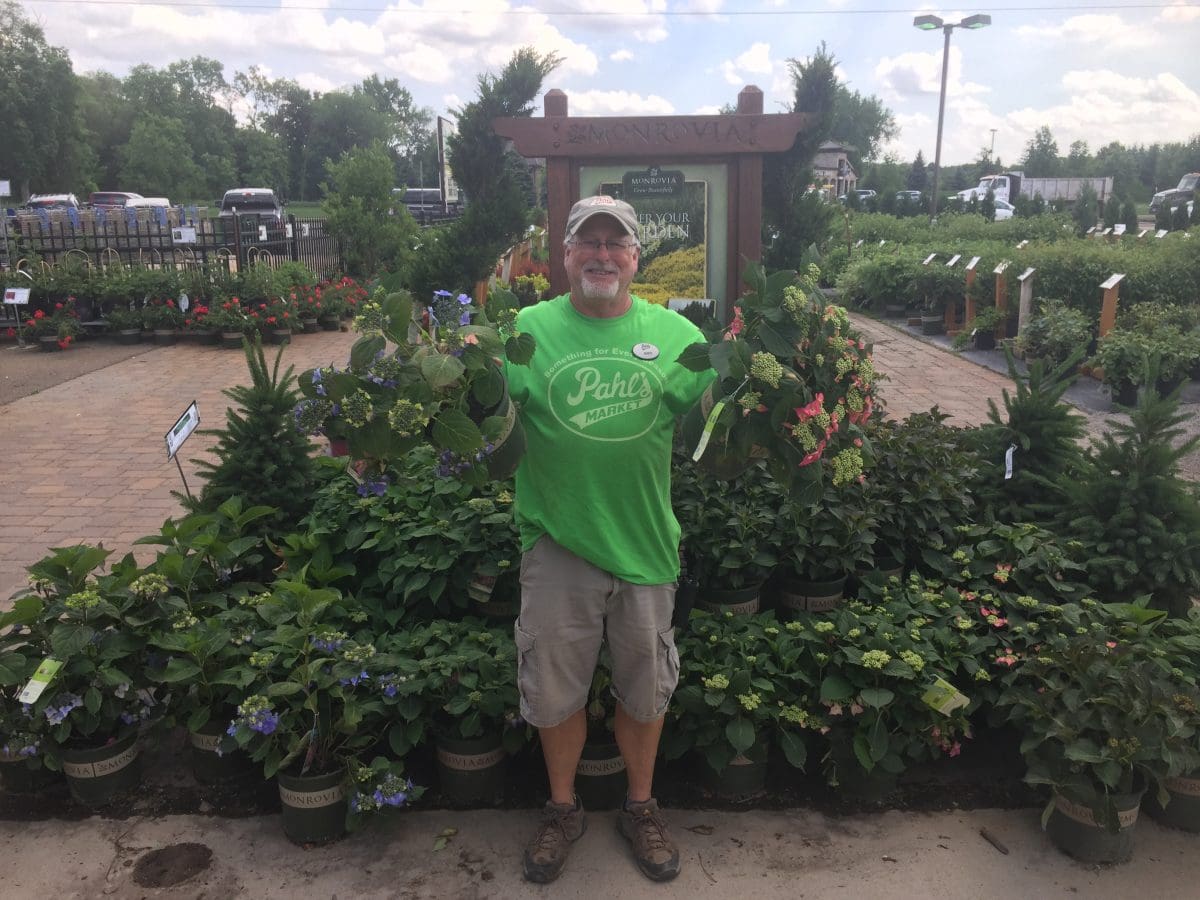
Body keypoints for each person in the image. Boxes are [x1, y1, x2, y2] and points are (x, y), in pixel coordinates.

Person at [504, 195, 715, 884]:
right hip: (558, 546)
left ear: (635, 257)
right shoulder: (528, 331)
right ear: (565, 255)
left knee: (644, 693)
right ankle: (563, 809)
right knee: (555, 693)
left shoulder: (675, 336)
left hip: (646, 547)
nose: (601, 255)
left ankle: (640, 806)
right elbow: (484, 421)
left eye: (615, 243)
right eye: (586, 242)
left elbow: (717, 421)